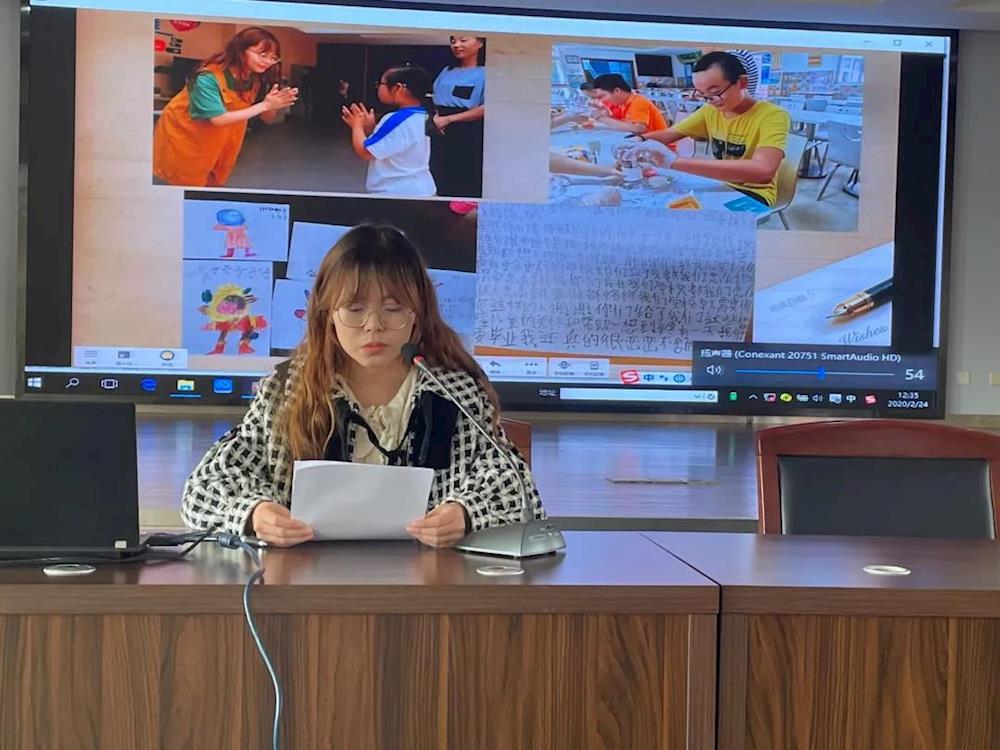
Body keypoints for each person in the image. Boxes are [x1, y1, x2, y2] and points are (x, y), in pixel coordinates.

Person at [181, 224, 545, 548]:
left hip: (430, 580)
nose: (374, 325)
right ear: (328, 314)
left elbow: (519, 488)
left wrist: (466, 513)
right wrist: (256, 513)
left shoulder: (454, 390)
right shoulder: (286, 392)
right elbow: (203, 488)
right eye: (355, 309)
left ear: (417, 314)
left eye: (393, 308)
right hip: (307, 579)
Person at [621, 51, 790, 206]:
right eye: (703, 95)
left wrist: (673, 162)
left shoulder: (772, 115)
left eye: (715, 92)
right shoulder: (710, 110)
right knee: (658, 202)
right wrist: (637, 141)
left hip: (753, 193)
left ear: (742, 82)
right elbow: (670, 133)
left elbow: (763, 171)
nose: (710, 101)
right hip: (719, 183)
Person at [153, 27, 298, 187]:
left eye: (273, 57)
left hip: (221, 143)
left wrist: (274, 105)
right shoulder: (207, 78)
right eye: (262, 55)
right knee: (187, 186)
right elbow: (218, 119)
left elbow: (266, 119)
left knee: (213, 183)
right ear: (241, 50)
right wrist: (265, 105)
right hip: (187, 138)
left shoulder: (255, 78)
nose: (268, 62)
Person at [341, 66, 437, 197]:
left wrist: (356, 125)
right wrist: (371, 129)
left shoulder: (396, 119)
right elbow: (393, 143)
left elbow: (366, 152)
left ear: (398, 88)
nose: (378, 88)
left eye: (381, 84)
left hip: (397, 192)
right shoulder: (423, 115)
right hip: (420, 188)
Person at [430, 35, 487, 198]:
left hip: (468, 131)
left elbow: (487, 107)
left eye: (463, 40)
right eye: (453, 41)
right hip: (440, 129)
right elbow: (435, 97)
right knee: (439, 174)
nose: (456, 45)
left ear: (480, 43)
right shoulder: (446, 71)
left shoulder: (486, 73)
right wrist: (437, 118)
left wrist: (449, 119)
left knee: (465, 178)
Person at [589, 73, 668, 134]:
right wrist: (607, 115)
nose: (602, 101)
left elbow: (639, 128)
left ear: (617, 91)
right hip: (647, 143)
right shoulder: (624, 103)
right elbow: (623, 125)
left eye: (603, 96)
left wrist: (604, 119)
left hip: (660, 146)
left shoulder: (638, 102)